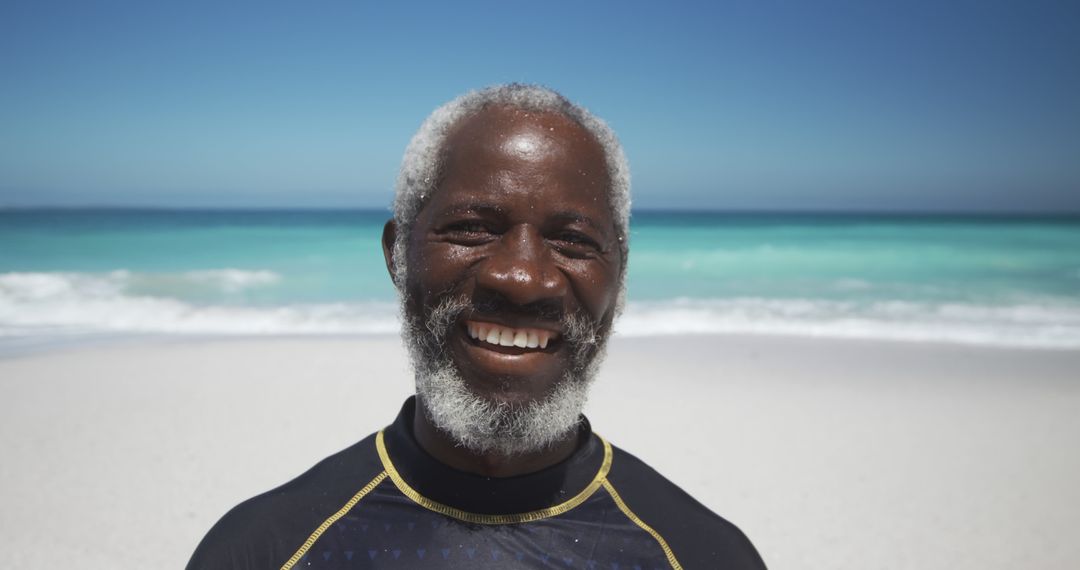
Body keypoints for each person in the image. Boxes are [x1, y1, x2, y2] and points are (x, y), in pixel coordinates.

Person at [187, 84, 766, 570]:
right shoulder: (264, 550)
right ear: (397, 257)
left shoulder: (701, 554)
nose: (520, 278)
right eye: (471, 228)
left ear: (620, 278)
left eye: (572, 241)